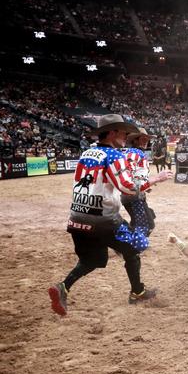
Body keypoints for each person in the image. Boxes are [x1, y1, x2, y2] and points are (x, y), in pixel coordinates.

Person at [48, 114, 173, 316]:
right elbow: (128, 188)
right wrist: (155, 179)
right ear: (113, 132)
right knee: (137, 245)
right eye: (123, 133)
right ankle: (137, 292)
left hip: (77, 218)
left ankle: (63, 287)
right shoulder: (114, 156)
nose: (126, 137)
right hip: (104, 220)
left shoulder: (86, 153)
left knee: (92, 260)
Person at [123, 127, 157, 236]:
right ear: (135, 140)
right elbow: (129, 171)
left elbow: (133, 173)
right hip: (134, 195)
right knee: (148, 224)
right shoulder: (135, 153)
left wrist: (146, 185)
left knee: (144, 218)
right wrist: (141, 184)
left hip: (133, 194)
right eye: (143, 139)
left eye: (147, 139)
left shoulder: (134, 152)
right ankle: (124, 244)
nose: (146, 141)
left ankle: (126, 242)